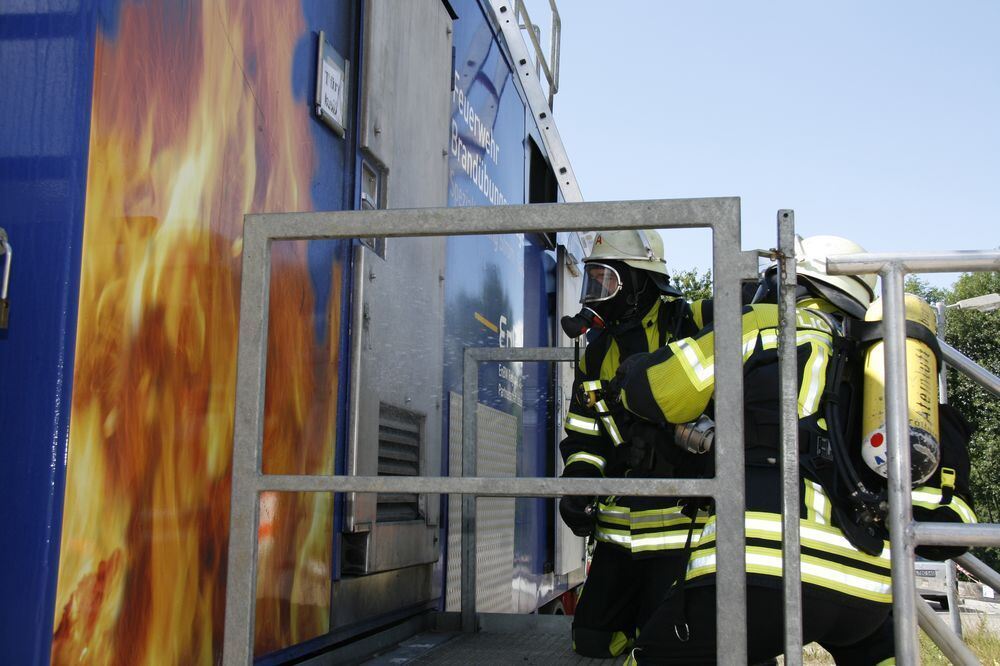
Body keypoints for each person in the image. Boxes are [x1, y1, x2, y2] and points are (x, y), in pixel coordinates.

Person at [609, 235, 977, 665]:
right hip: (870, 589)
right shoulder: (884, 363)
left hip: (762, 565)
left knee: (655, 657)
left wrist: (630, 376)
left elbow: (662, 392)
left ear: (791, 279)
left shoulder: (765, 323)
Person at [557, 229, 708, 658]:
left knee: (664, 643)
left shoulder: (691, 323)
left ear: (642, 282)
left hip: (683, 532)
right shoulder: (596, 351)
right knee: (590, 641)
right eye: (591, 282)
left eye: (607, 282)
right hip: (619, 534)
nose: (596, 296)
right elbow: (584, 432)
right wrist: (580, 484)